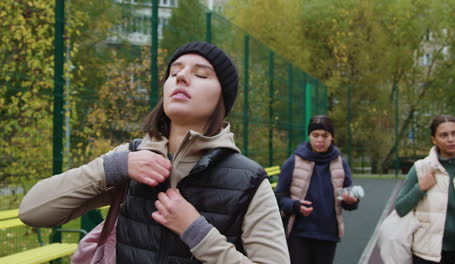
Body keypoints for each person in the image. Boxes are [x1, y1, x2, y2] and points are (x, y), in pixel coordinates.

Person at [19, 41, 290, 264]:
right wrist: (113, 167)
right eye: (174, 73)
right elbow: (32, 211)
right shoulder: (130, 158)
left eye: (200, 74)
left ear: (222, 99)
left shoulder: (249, 180)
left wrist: (198, 233)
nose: (181, 77)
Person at [274, 115, 359, 264]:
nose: (320, 140)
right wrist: (295, 206)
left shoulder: (341, 163)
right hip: (298, 234)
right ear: (309, 136)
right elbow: (278, 197)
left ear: (331, 137)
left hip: (328, 234)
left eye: (325, 136)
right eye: (315, 135)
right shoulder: (294, 161)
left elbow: (348, 199)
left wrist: (351, 201)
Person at [395, 114, 455, 264]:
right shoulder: (421, 168)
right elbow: (401, 208)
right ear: (434, 140)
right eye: (443, 135)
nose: (451, 139)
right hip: (428, 255)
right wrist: (420, 187)